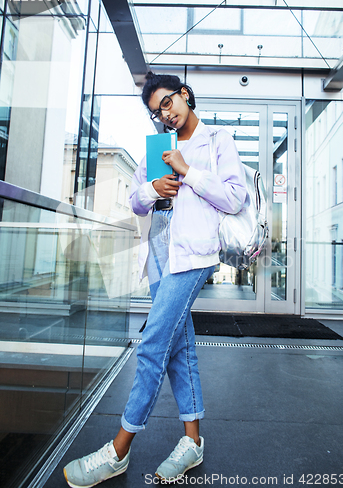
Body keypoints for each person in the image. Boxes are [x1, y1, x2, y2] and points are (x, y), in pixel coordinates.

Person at [63, 72, 247, 487]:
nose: (164, 114)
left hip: (194, 253)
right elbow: (135, 201)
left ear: (184, 95)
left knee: (152, 345)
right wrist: (153, 188)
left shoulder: (217, 140)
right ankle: (192, 441)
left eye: (167, 103)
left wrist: (188, 171)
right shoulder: (157, 146)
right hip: (160, 250)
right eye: (155, 111)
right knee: (180, 348)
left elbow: (234, 197)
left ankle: (118, 450)